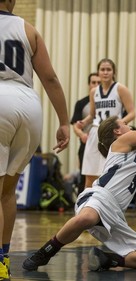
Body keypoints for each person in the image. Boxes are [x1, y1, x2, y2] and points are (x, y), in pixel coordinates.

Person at [22, 102, 136, 272]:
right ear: (117, 132)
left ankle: (109, 260)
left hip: (115, 215)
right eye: (124, 124)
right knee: (87, 217)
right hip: (98, 197)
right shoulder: (123, 141)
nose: (129, 125)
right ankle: (46, 251)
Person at [0, 1, 70, 279]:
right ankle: (3, 261)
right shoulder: (29, 29)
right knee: (7, 191)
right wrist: (64, 121)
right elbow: (50, 78)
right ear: (13, 1)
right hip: (29, 104)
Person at [78, 58, 136, 188]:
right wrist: (83, 122)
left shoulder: (120, 89)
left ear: (113, 72)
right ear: (98, 72)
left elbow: (132, 113)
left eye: (108, 69)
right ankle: (84, 205)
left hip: (113, 135)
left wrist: (120, 124)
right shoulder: (94, 92)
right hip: (95, 132)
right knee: (90, 174)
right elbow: (92, 115)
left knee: (109, 173)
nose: (105, 72)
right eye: (102, 69)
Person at [70, 73, 101, 194]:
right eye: (93, 82)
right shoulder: (81, 103)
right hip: (87, 143)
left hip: (105, 144)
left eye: (98, 83)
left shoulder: (111, 100)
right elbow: (76, 125)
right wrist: (82, 135)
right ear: (89, 84)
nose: (96, 85)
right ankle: (81, 206)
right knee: (85, 177)